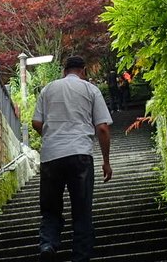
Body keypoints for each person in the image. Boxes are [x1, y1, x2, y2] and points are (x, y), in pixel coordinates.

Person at [32, 55, 113, 262]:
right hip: (80, 156)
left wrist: (52, 137)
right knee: (82, 211)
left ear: (64, 71)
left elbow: (36, 122)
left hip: (51, 156)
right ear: (84, 71)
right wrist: (106, 161)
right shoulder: (90, 90)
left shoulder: (48, 89)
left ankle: (48, 244)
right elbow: (102, 128)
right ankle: (80, 257)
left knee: (50, 209)